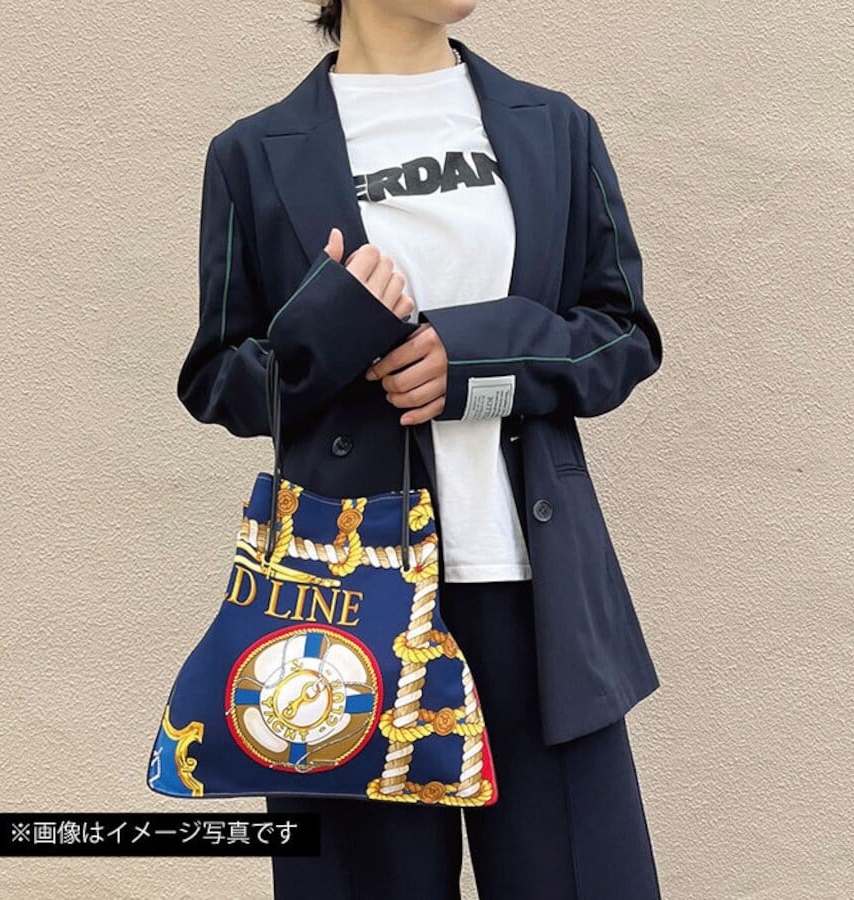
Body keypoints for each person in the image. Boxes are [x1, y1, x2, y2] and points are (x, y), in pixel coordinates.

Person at [177, 1, 664, 897]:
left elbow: (622, 335)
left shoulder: (554, 127)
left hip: (535, 595)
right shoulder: (252, 153)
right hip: (347, 606)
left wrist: (475, 361)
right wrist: (327, 331)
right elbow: (217, 379)